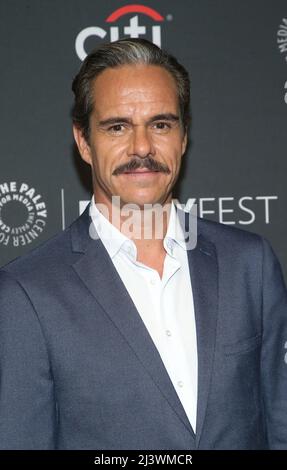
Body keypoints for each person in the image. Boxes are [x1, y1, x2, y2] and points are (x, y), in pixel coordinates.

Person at [0, 38, 286, 450]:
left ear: (184, 137)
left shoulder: (249, 265)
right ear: (83, 142)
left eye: (161, 124)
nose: (142, 148)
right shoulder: (27, 292)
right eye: (118, 126)